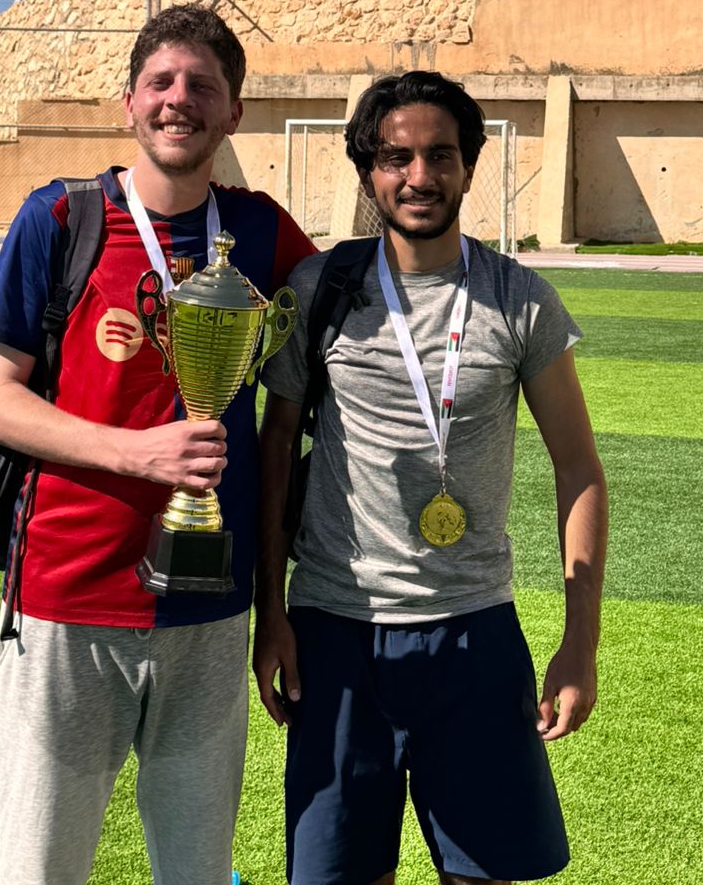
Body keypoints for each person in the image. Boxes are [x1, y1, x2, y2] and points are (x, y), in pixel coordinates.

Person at [0, 3, 316, 885]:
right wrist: (138, 454)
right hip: (67, 601)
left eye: (202, 85)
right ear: (129, 102)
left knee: (196, 871)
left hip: (211, 611)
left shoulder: (263, 233)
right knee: (39, 871)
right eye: (160, 81)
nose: (178, 99)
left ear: (234, 112)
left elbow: (348, 325)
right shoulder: (61, 218)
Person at [254, 71, 608, 885]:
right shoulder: (319, 291)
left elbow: (578, 466)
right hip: (335, 630)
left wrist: (580, 643)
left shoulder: (519, 299)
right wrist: (270, 614)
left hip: (472, 631)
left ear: (469, 166)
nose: (420, 176)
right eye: (396, 157)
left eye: (440, 155)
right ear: (367, 172)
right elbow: (275, 455)